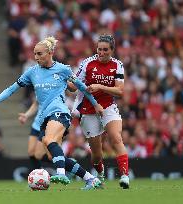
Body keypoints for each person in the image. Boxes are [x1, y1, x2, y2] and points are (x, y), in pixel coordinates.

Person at [0, 36, 103, 190]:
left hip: (60, 112)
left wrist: (96, 104)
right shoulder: (32, 72)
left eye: (39, 54)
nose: (36, 57)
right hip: (44, 118)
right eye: (35, 54)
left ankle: (61, 174)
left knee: (49, 140)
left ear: (50, 53)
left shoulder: (63, 69)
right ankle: (90, 179)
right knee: (50, 155)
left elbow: (82, 88)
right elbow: (12, 88)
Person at [69, 34, 129, 189]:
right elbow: (74, 87)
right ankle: (100, 176)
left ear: (112, 50)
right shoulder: (87, 63)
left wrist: (100, 86)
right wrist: (65, 79)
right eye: (99, 49)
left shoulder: (117, 65)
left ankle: (124, 176)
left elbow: (120, 91)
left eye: (105, 50)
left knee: (116, 138)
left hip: (108, 107)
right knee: (97, 154)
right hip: (88, 110)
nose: (102, 53)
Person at [18, 99, 49, 171]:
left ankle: (64, 161)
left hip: (47, 127)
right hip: (36, 125)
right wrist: (26, 115)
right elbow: (35, 104)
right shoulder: (40, 89)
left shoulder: (56, 91)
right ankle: (38, 176)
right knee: (31, 153)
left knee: (38, 154)